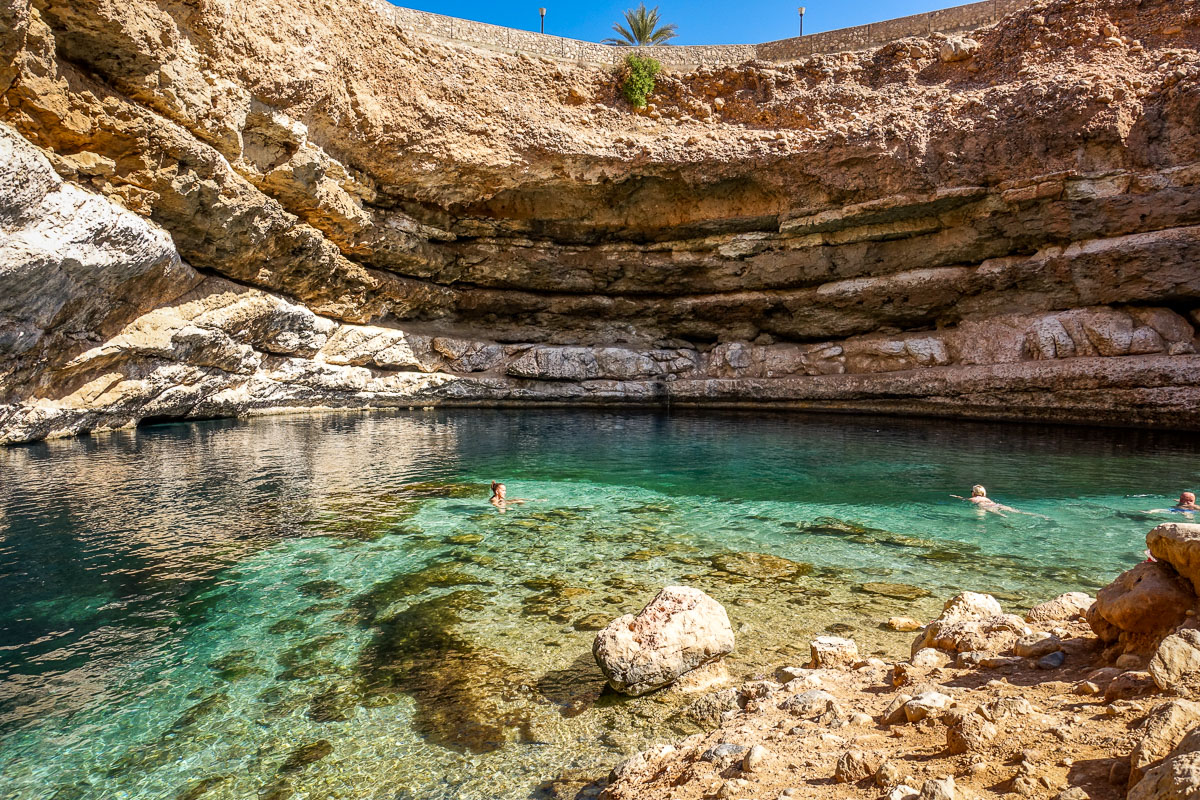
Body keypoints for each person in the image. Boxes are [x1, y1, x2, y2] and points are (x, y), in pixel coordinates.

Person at [951, 485, 1018, 515]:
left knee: (993, 511)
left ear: (973, 493)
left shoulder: (973, 499)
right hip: (993, 504)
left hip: (983, 505)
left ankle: (1001, 515)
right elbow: (993, 503)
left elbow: (963, 499)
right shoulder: (986, 498)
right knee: (1009, 509)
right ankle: (1026, 513)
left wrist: (956, 496)